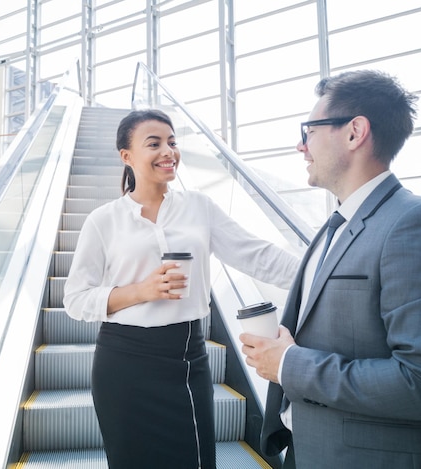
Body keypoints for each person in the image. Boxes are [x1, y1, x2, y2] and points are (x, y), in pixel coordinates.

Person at [240, 70, 421, 469]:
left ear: (355, 132)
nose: (300, 146)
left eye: (309, 130)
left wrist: (288, 364)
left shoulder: (420, 222)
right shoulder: (333, 228)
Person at [63, 109, 300, 469]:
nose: (168, 151)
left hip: (185, 358)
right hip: (122, 363)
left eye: (172, 142)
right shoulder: (103, 220)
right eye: (154, 143)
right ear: (126, 157)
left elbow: (255, 255)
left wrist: (321, 273)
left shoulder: (199, 207)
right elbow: (76, 300)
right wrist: (141, 291)